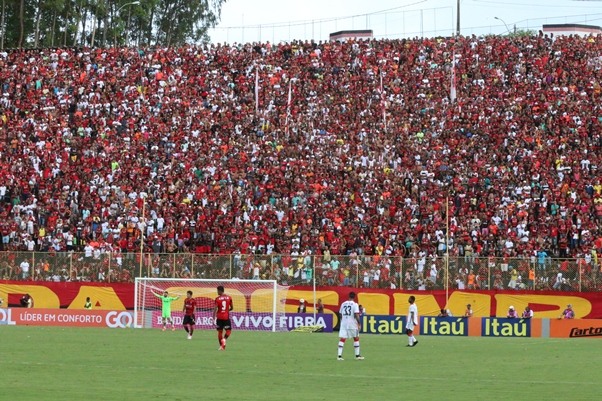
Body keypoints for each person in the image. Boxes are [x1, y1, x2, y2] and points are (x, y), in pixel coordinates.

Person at [337, 291, 364, 361]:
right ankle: (357, 356)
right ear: (354, 297)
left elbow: (340, 314)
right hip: (352, 324)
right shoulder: (355, 305)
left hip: (344, 324)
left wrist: (343, 320)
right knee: (356, 338)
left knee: (343, 338)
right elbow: (356, 315)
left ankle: (339, 356)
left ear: (348, 296)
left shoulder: (343, 304)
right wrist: (359, 323)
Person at [213, 285, 233, 350]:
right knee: (228, 331)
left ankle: (221, 346)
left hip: (219, 317)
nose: (217, 292)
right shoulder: (229, 297)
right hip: (226, 317)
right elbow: (232, 308)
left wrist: (213, 318)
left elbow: (215, 309)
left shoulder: (217, 299)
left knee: (220, 332)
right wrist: (227, 310)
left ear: (220, 291)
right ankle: (224, 339)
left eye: (217, 291)